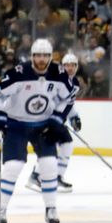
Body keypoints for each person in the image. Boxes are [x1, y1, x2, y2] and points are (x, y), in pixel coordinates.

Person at [0, 39, 76, 223]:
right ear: (32, 56)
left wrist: (56, 120)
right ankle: (1, 209)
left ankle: (51, 208)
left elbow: (68, 99)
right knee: (13, 166)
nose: (41, 59)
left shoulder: (60, 74)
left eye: (46, 55)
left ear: (51, 56)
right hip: (16, 124)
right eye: (38, 55)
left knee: (49, 165)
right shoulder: (18, 74)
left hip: (43, 126)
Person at [26, 52, 82, 193]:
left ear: (77, 67)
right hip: (45, 119)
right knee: (50, 146)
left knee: (66, 144)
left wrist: (74, 116)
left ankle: (56, 176)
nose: (70, 68)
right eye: (67, 65)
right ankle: (36, 176)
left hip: (56, 121)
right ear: (62, 67)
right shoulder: (53, 79)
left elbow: (68, 104)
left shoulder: (75, 84)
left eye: (73, 65)